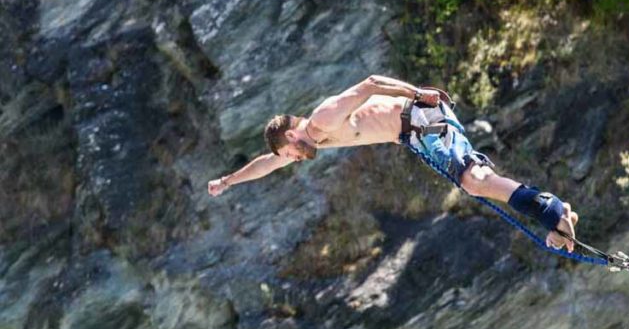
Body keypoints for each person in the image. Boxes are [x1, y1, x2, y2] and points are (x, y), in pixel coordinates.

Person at [207, 75, 579, 251]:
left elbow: (369, 84)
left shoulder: (322, 119)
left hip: (418, 116)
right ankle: (552, 212)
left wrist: (419, 93)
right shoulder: (315, 138)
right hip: (412, 133)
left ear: (290, 136)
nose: (292, 161)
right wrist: (228, 181)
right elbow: (264, 165)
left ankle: (552, 211)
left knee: (473, 178)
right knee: (475, 181)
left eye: (288, 154)